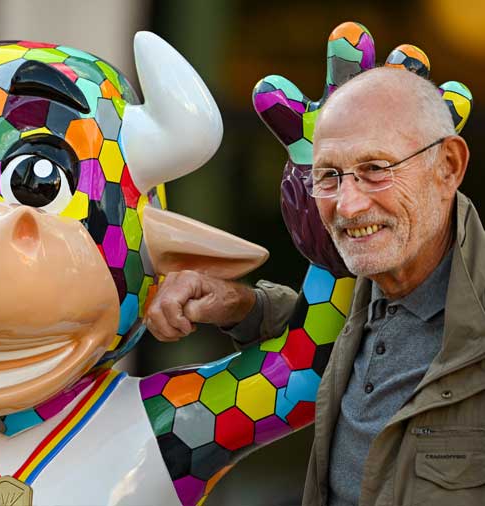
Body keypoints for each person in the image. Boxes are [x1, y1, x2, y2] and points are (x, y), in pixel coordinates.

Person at [145, 67, 485, 505]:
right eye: (328, 176)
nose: (348, 204)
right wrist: (240, 304)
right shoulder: (374, 283)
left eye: (376, 168)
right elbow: (330, 335)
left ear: (448, 167)